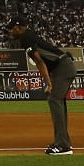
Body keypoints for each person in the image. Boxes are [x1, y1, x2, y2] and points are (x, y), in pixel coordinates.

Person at [8, 19, 75, 155]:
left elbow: (39, 61)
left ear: (18, 27)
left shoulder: (25, 38)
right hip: (62, 66)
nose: (10, 31)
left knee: (54, 100)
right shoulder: (28, 35)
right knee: (57, 101)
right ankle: (62, 141)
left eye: (11, 28)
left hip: (62, 67)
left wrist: (49, 83)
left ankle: (63, 146)